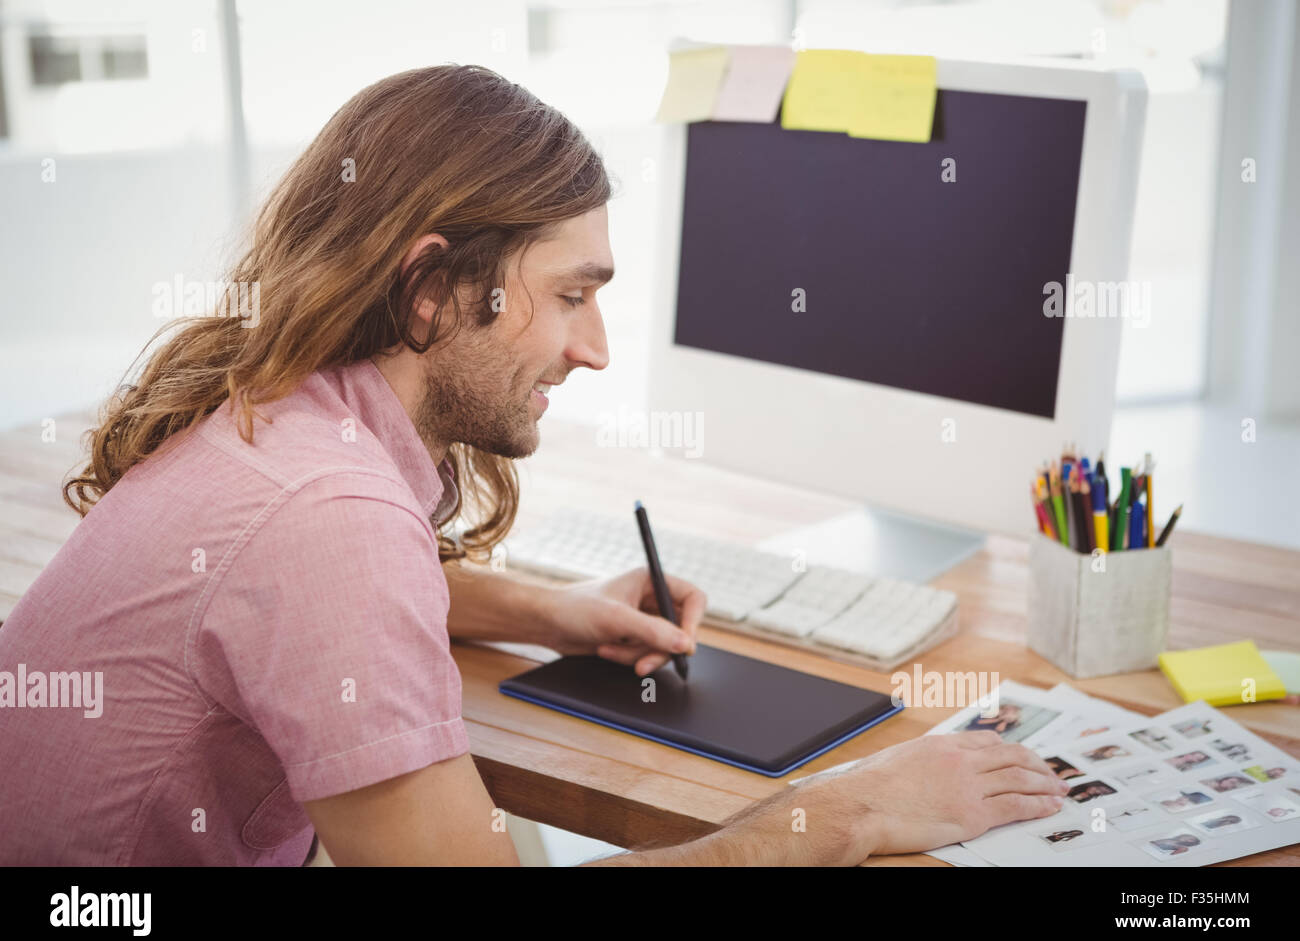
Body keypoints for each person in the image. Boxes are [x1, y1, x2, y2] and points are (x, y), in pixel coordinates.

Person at [0, 65, 1067, 866]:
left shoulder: (281, 415)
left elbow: (263, 597)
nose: (595, 346)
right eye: (570, 294)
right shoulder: (328, 516)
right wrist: (851, 808)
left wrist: (550, 612)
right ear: (430, 288)